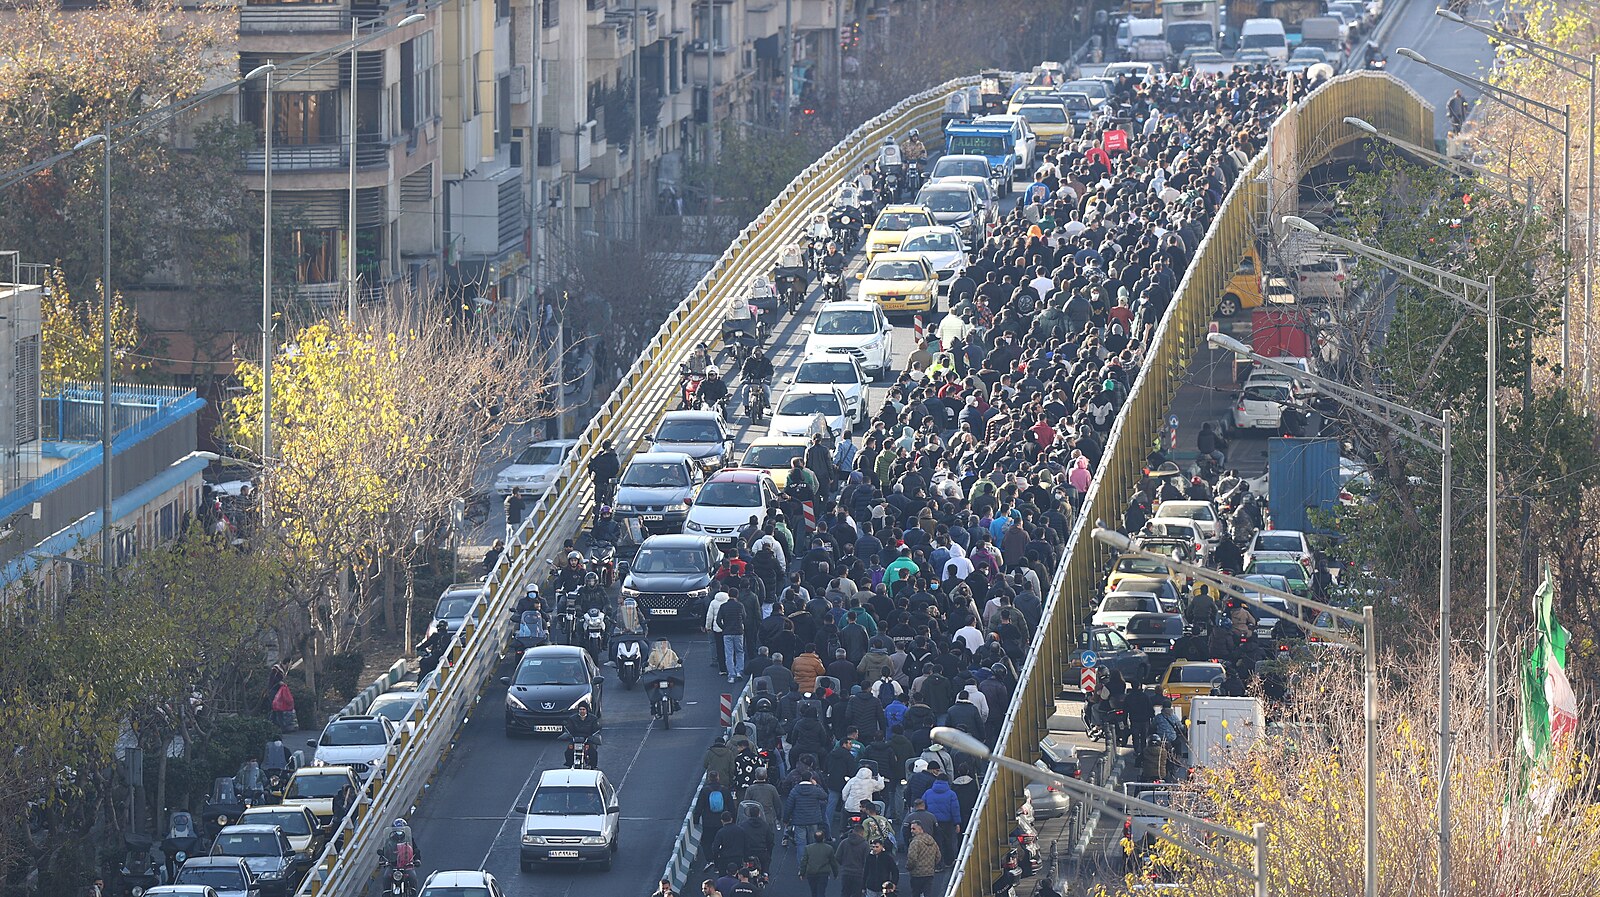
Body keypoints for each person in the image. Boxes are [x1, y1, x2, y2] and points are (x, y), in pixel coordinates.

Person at [904, 820, 941, 897]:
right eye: (911, 829)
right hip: (929, 873)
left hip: (917, 874)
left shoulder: (915, 842)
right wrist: (931, 866)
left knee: (915, 894)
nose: (911, 831)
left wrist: (908, 867)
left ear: (920, 829)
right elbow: (938, 856)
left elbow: (912, 858)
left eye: (914, 829)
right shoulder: (931, 839)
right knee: (927, 894)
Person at [800, 828, 839, 897]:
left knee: (813, 892)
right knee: (821, 892)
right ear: (823, 838)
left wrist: (802, 873)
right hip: (823, 874)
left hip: (811, 873)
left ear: (814, 838)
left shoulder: (808, 848)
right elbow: (833, 862)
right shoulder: (829, 848)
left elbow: (804, 861)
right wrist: (836, 873)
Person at [590, 440, 621, 506]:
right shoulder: (613, 456)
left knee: (597, 502)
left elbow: (590, 466)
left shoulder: (597, 456)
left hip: (598, 481)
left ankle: (596, 515)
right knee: (608, 500)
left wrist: (591, 476)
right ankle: (608, 514)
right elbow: (617, 468)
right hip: (609, 482)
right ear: (610, 446)